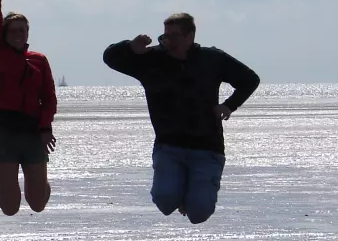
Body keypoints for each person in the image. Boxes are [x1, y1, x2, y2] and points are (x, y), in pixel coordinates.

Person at [103, 13, 260, 224]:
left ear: (190, 37)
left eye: (175, 36)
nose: (168, 41)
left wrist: (229, 105)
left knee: (199, 214)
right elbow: (109, 58)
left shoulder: (212, 59)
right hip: (169, 147)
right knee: (165, 201)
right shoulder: (150, 60)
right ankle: (179, 192)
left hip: (207, 148)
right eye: (165, 36)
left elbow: (250, 80)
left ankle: (195, 194)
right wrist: (130, 47)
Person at [0, 0, 58, 216]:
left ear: (28, 33)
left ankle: (38, 179)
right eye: (13, 30)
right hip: (5, 131)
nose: (18, 34)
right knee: (10, 207)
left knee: (38, 204)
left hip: (33, 132)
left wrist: (46, 126)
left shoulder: (39, 60)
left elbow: (49, 98)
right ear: (4, 34)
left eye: (23, 30)